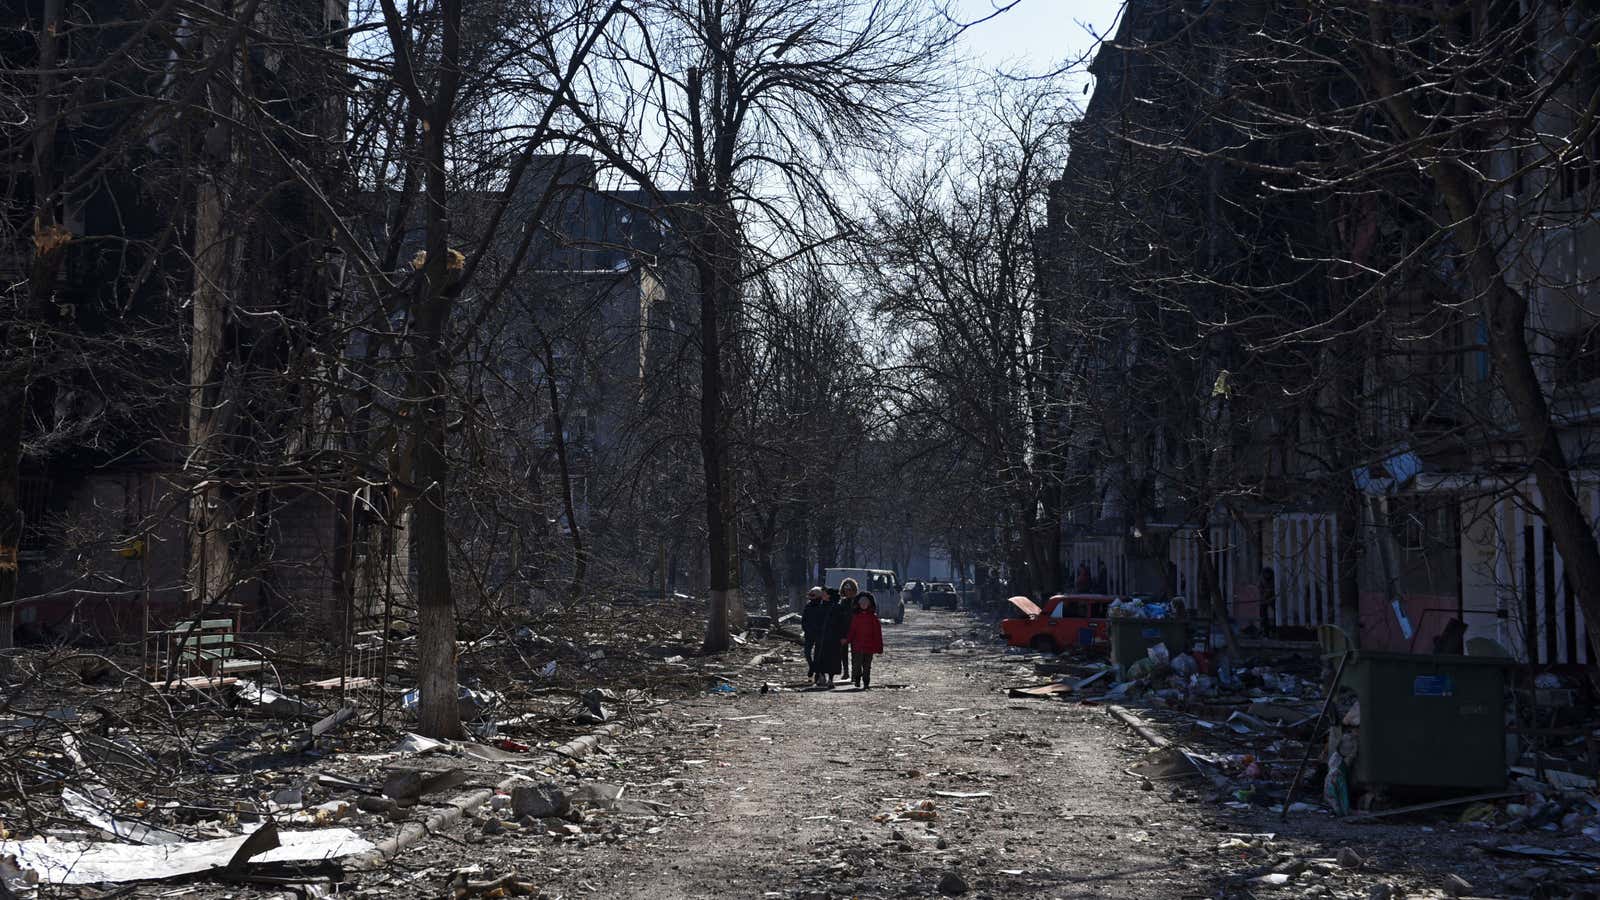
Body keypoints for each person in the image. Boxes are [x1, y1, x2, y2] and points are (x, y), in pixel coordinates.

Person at [813, 581, 854, 687]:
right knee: (820, 658)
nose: (823, 595)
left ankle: (830, 679)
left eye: (825, 593)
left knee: (832, 659)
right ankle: (822, 677)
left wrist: (843, 636)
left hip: (833, 638)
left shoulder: (836, 608)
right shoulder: (820, 607)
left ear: (829, 595)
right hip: (821, 638)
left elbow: (842, 624)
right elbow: (816, 622)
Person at [845, 591, 885, 689]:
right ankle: (857, 680)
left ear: (869, 604)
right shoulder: (856, 617)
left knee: (867, 666)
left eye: (865, 603)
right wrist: (847, 640)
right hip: (857, 646)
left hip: (869, 646)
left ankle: (866, 682)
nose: (863, 605)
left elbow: (877, 634)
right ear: (858, 604)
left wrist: (879, 647)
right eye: (862, 603)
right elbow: (852, 630)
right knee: (857, 665)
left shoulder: (873, 618)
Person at [801, 587, 826, 679]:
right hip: (809, 633)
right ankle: (812, 667)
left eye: (813, 596)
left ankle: (817, 673)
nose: (811, 598)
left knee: (817, 655)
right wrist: (805, 629)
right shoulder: (808, 606)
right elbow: (804, 619)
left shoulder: (823, 606)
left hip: (819, 634)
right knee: (807, 653)